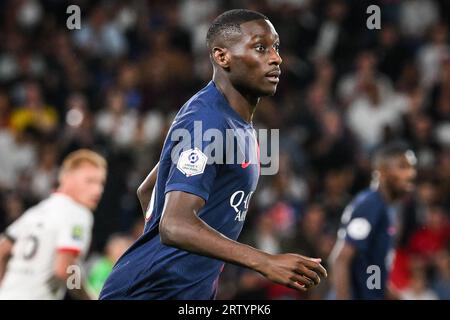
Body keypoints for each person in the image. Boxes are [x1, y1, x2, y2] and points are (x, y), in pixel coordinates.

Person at [100, 9, 327, 300]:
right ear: (222, 57)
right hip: (148, 291)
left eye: (276, 47)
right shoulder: (206, 120)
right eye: (260, 47)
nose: (276, 58)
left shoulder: (236, 122)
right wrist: (264, 261)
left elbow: (148, 189)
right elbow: (174, 224)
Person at [0, 149, 107, 300]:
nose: (98, 190)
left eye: (101, 183)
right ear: (66, 178)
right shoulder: (78, 213)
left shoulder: (36, 211)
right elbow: (66, 268)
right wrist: (88, 297)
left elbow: (2, 249)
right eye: (90, 181)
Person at [329, 142, 417, 299]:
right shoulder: (370, 205)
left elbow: (371, 270)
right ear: (382, 171)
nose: (411, 173)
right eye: (403, 167)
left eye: (411, 167)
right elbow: (340, 259)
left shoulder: (386, 208)